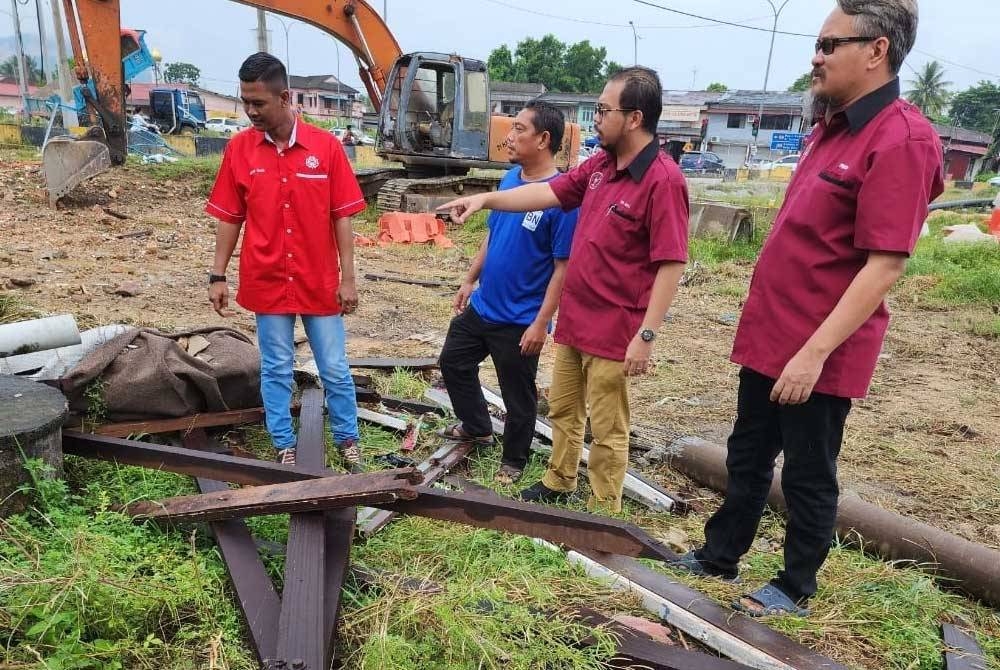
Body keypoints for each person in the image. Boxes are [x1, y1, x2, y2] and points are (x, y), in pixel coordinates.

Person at [674, 0, 943, 617]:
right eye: (817, 45)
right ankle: (721, 554)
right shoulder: (831, 127)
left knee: (807, 472)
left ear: (876, 50)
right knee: (745, 455)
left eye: (828, 45)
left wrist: (814, 354)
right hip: (772, 336)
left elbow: (884, 265)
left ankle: (795, 585)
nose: (815, 57)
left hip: (819, 351)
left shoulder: (902, 139)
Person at [440, 67, 689, 513]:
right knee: (564, 410)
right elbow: (546, 193)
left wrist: (646, 336)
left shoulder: (663, 180)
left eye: (603, 110)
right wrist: (484, 200)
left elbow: (671, 263)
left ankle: (602, 508)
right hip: (576, 319)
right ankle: (558, 480)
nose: (595, 118)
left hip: (615, 328)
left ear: (633, 118)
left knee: (609, 426)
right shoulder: (600, 166)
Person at [204, 52, 367, 468]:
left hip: (317, 280)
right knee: (276, 366)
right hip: (266, 278)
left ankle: (348, 438)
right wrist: (218, 274)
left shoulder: (326, 149)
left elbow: (342, 218)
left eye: (259, 102)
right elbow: (229, 217)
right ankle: (283, 441)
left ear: (285, 97)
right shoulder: (240, 150)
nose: (250, 112)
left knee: (333, 366)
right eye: (246, 101)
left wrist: (348, 278)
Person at [436, 100, 579, 485]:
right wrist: (469, 279)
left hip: (520, 320)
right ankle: (477, 425)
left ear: (544, 139)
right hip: (484, 305)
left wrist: (541, 323)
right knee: (452, 361)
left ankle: (514, 459)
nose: (509, 136)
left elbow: (563, 268)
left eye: (519, 129)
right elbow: (493, 234)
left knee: (518, 397)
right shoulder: (511, 180)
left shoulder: (563, 199)